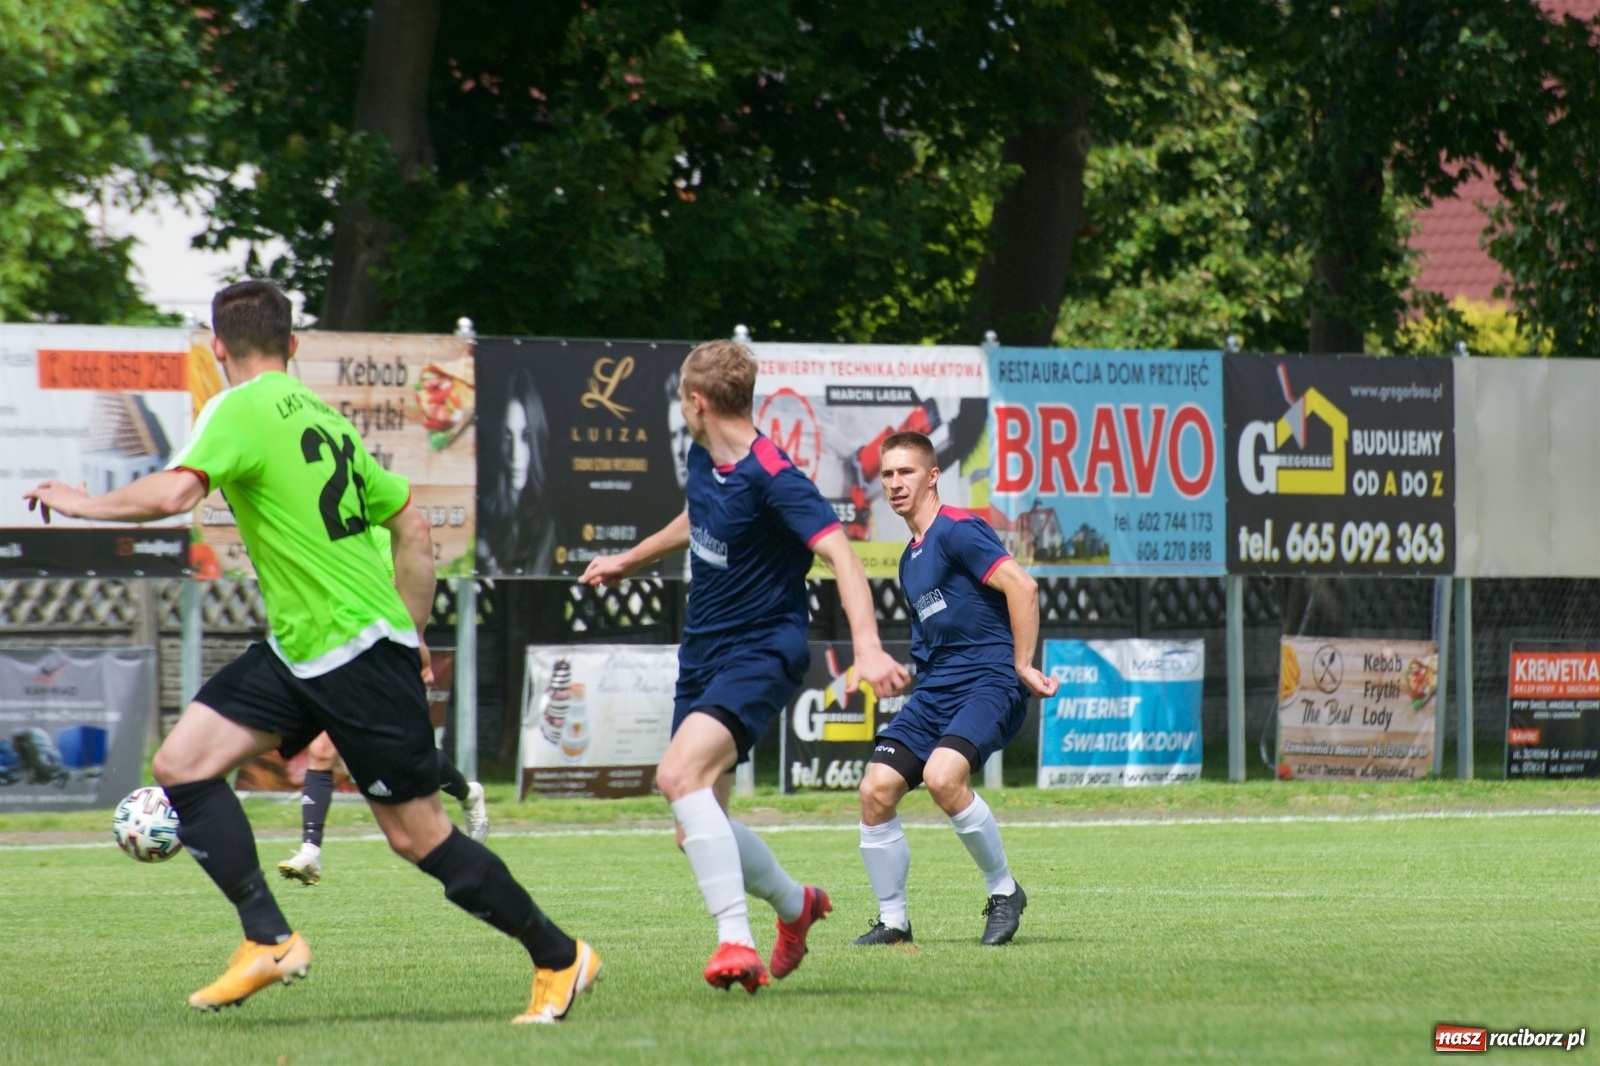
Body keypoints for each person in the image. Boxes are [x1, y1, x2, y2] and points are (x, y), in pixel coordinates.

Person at [25, 281, 598, 1024]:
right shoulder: (327, 418)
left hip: (350, 653)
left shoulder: (236, 406)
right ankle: (266, 937)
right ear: (294, 345)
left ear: (218, 346)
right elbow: (416, 529)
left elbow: (173, 497)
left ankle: (560, 956)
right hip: (309, 649)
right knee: (182, 764)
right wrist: (414, 633)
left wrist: (84, 503)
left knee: (416, 836)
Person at [581, 339, 908, 994]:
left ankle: (735, 940)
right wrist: (628, 560)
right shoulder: (704, 457)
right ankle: (797, 906)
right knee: (697, 826)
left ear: (697, 403)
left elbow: (842, 554)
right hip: (702, 654)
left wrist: (867, 647)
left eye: (681, 403)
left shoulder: (774, 476)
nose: (682, 413)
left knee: (677, 775)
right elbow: (695, 519)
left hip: (762, 651)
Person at [853, 431, 1057, 947]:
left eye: (907, 472)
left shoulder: (960, 529)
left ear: (932, 476)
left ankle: (1004, 891)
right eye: (888, 475)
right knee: (875, 790)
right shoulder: (909, 558)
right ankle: (894, 922)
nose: (896, 484)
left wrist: (1024, 665)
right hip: (937, 691)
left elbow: (1022, 586)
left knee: (943, 778)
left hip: (989, 682)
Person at [280, 525, 488, 886]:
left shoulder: (381, 534)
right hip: (337, 658)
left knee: (403, 760)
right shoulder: (321, 534)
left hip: (381, 661)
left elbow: (397, 601)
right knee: (322, 750)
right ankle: (310, 851)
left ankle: (468, 793)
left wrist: (416, 654)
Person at [478, 368, 556, 575]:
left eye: (524, 437)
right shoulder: (481, 513)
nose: (515, 454)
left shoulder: (547, 524)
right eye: (507, 437)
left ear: (536, 440)